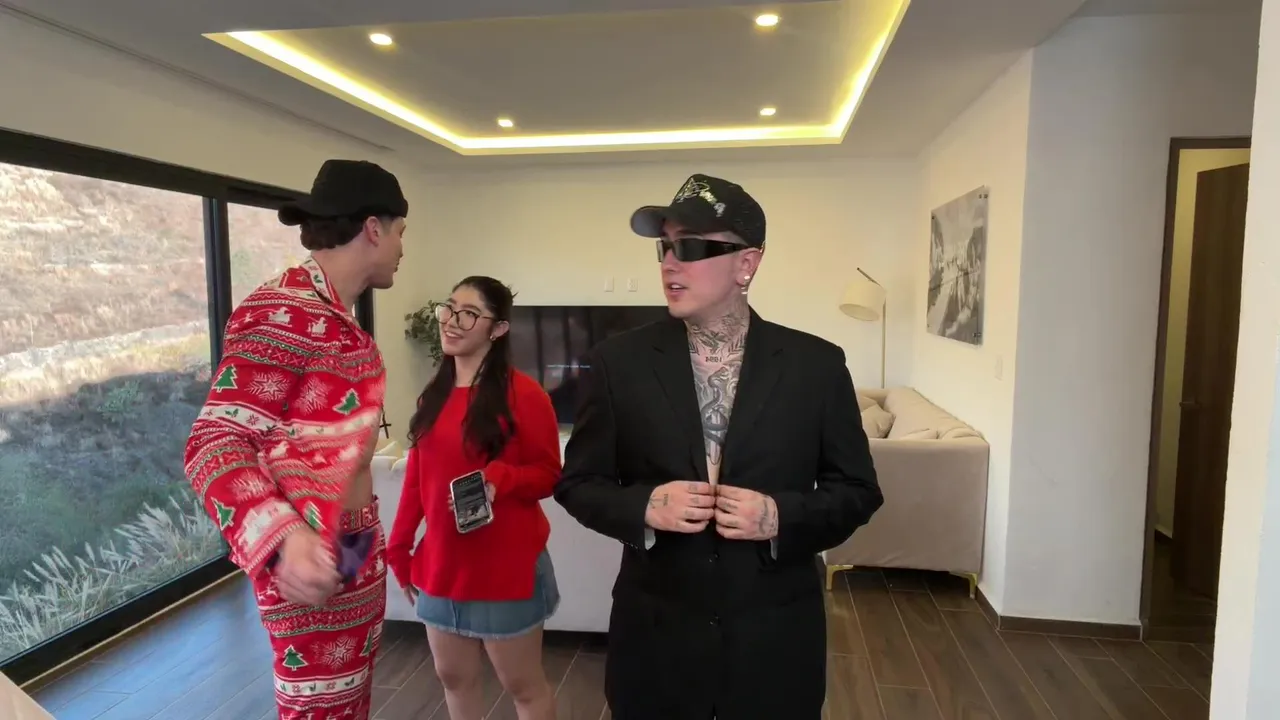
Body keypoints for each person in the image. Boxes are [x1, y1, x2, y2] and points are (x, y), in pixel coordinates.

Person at [554, 174, 884, 720]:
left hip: (774, 644)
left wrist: (780, 516)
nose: (669, 263)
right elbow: (578, 484)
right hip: (655, 644)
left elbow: (858, 491)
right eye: (664, 247)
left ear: (746, 264)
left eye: (689, 247)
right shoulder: (618, 363)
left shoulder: (817, 366)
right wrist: (643, 506)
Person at [184, 159, 407, 720]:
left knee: (348, 702)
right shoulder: (283, 311)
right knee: (320, 709)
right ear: (374, 228)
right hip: (310, 551)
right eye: (401, 232)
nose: (403, 248)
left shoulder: (333, 314)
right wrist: (285, 538)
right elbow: (214, 442)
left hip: (352, 547)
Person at [386, 276, 563, 720]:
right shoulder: (433, 395)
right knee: (453, 678)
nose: (452, 321)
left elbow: (549, 475)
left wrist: (500, 478)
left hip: (505, 567)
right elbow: (416, 479)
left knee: (523, 686)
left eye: (469, 314)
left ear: (498, 329)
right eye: (449, 308)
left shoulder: (526, 395)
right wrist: (399, 547)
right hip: (441, 565)